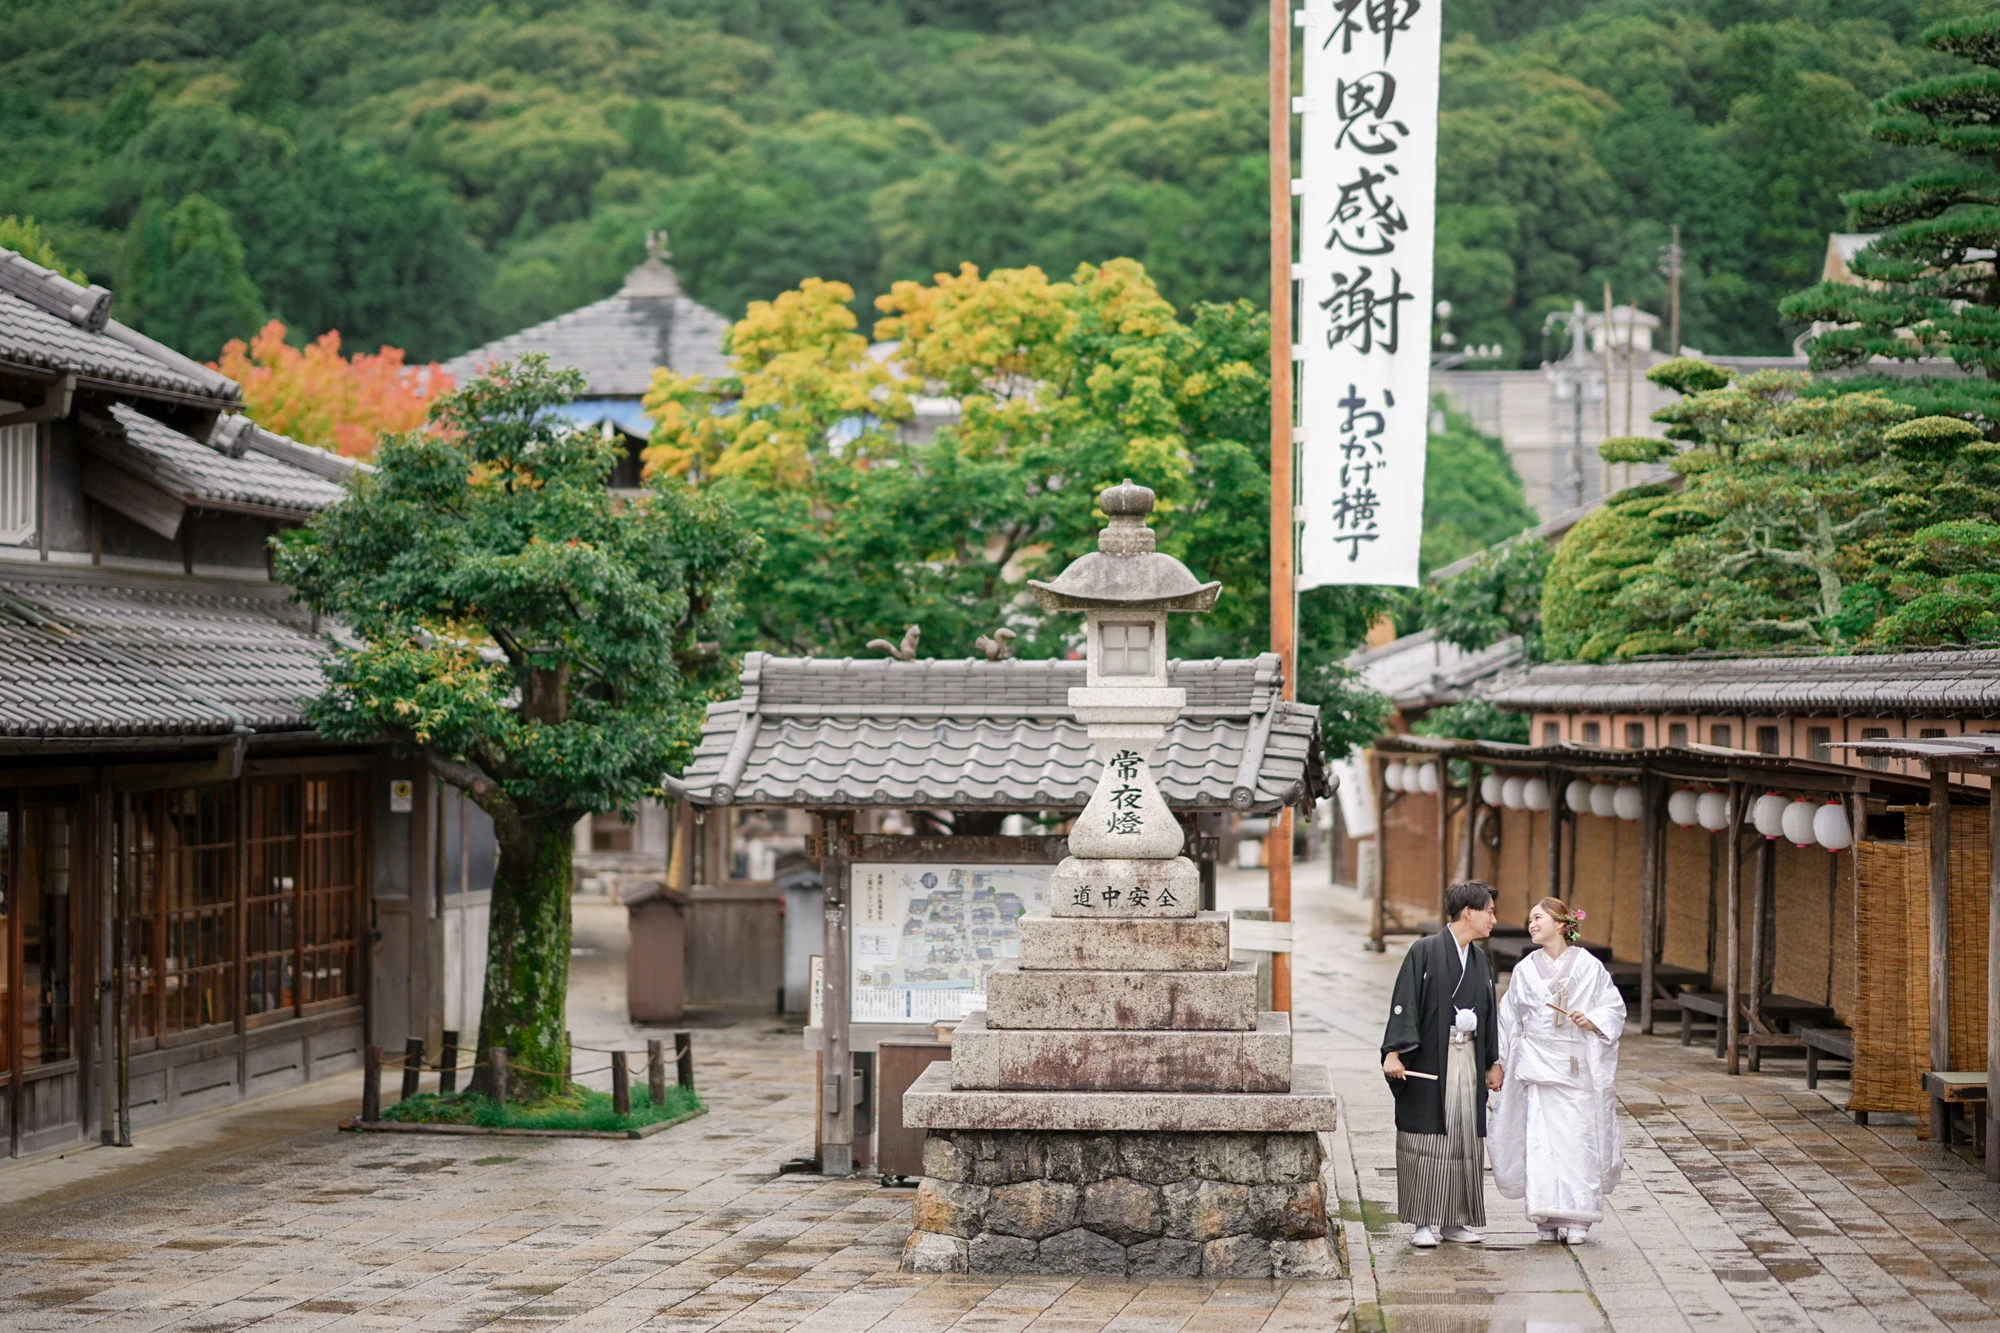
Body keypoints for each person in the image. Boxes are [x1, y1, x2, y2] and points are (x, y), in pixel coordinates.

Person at [1490, 896, 1625, 1245]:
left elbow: (1613, 1007)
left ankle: (1579, 1216)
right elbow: (1508, 1019)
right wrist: (1501, 1061)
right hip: (1536, 1066)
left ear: (1562, 924)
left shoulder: (1589, 965)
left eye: (1538, 918)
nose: (1532, 924)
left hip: (1575, 1065)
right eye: (1530, 919)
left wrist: (1591, 1019)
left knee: (1576, 1141)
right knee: (1541, 1143)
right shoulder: (1524, 969)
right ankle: (1546, 1214)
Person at [1381, 880, 1503, 1248]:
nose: (1494, 919)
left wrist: (1492, 1061)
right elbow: (1404, 1001)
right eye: (1490, 911)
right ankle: (1422, 1221)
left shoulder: (1480, 960)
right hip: (1432, 1058)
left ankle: (1454, 1220)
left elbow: (1490, 1011)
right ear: (1469, 912)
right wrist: (1394, 1052)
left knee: (1464, 1133)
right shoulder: (1424, 950)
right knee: (1426, 1137)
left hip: (1467, 1056)